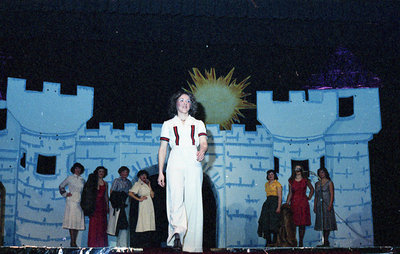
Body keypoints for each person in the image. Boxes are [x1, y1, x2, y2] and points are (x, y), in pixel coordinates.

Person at [157, 90, 208, 252]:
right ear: (176, 103)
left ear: (191, 105)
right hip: (176, 159)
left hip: (193, 160)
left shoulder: (198, 123)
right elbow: (163, 149)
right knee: (175, 197)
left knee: (193, 201)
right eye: (181, 100)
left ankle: (192, 244)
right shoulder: (168, 124)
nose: (185, 103)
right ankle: (177, 232)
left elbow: (203, 142)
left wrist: (202, 151)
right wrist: (160, 172)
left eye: (188, 101)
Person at [286, 165, 314, 247]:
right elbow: (290, 193)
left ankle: (301, 242)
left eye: (299, 169)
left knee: (302, 223)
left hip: (303, 203)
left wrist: (309, 197)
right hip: (294, 203)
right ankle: (293, 242)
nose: (297, 170)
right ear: (293, 170)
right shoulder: (291, 180)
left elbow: (312, 189)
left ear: (301, 170)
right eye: (296, 169)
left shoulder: (306, 180)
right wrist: (287, 203)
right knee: (293, 224)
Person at [59, 162, 85, 247]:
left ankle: (74, 241)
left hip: (79, 201)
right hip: (71, 201)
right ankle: (72, 241)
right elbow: (61, 186)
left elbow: (84, 191)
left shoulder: (82, 180)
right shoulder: (70, 178)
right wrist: (65, 194)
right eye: (76, 168)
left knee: (77, 221)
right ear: (74, 169)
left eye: (79, 169)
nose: (78, 170)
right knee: (71, 220)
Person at [129, 170, 156, 247]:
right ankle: (142, 242)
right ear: (139, 176)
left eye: (145, 175)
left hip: (149, 203)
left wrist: (149, 185)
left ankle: (148, 242)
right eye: (142, 175)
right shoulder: (138, 184)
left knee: (149, 222)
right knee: (143, 222)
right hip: (143, 204)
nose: (144, 177)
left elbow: (152, 195)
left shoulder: (147, 184)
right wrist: (138, 199)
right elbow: (130, 193)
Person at [107, 166, 132, 247]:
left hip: (125, 203)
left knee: (124, 223)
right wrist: (113, 202)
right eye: (123, 172)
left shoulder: (129, 182)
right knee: (116, 223)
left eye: (126, 172)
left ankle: (123, 243)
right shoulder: (116, 181)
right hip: (117, 203)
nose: (125, 173)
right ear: (120, 172)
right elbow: (112, 191)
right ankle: (115, 244)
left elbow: (130, 193)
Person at [86, 166, 109, 247]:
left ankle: (101, 245)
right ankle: (92, 245)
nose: (101, 173)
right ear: (97, 172)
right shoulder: (93, 182)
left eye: (103, 172)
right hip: (94, 205)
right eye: (100, 171)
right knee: (93, 225)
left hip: (102, 206)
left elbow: (106, 196)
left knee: (102, 226)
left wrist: (107, 206)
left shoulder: (106, 183)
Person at [258, 170, 282, 246]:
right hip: (268, 203)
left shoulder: (277, 184)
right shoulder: (266, 184)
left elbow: (280, 197)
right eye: (269, 174)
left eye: (272, 174)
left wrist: (278, 207)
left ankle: (275, 242)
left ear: (274, 175)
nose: (270, 176)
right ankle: (268, 242)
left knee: (274, 223)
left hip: (274, 203)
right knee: (265, 221)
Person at [313, 167, 337, 247]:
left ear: (325, 173)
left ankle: (326, 241)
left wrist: (330, 204)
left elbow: (332, 194)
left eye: (322, 172)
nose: (321, 174)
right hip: (320, 205)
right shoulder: (317, 183)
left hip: (326, 204)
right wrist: (315, 205)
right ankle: (324, 242)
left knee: (327, 222)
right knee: (322, 223)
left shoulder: (329, 182)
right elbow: (316, 196)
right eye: (319, 172)